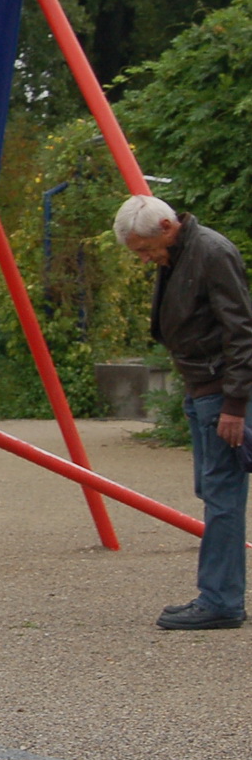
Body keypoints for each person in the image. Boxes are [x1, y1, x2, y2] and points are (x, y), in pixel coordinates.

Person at [116, 195, 252, 630]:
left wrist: (234, 405)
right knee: (214, 490)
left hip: (220, 393)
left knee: (222, 495)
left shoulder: (211, 252)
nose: (144, 259)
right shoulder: (179, 254)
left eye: (144, 249)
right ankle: (221, 596)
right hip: (205, 389)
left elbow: (241, 330)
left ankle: (221, 600)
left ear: (166, 227)